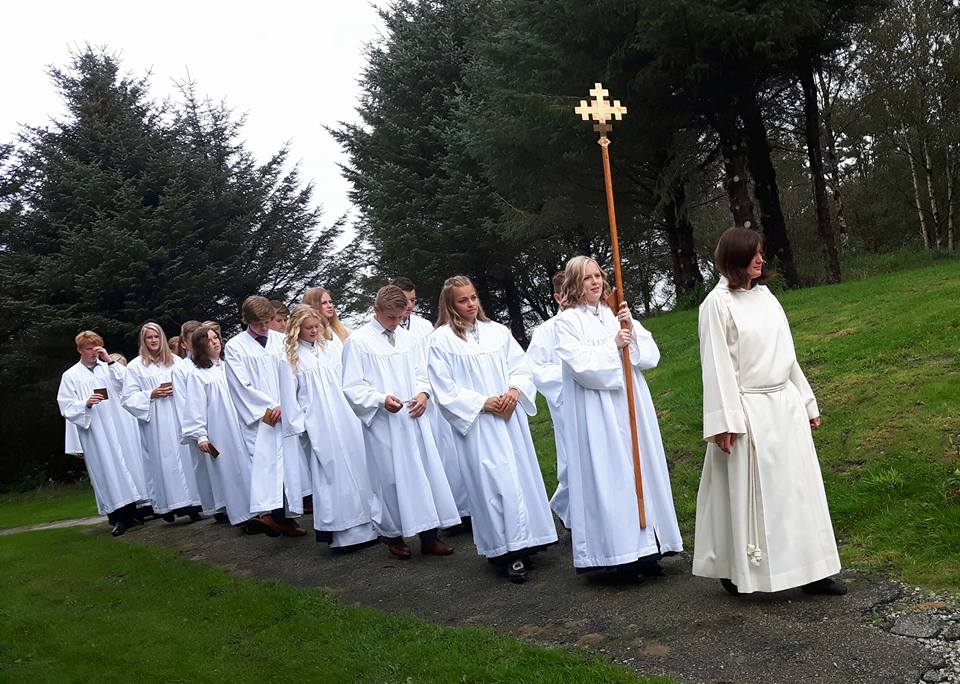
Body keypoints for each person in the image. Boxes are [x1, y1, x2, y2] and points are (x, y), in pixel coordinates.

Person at [693, 227, 844, 596]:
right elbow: (716, 367)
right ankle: (737, 569)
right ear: (734, 259)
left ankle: (814, 569)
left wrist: (806, 400)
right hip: (749, 411)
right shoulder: (717, 304)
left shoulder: (767, 297)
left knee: (799, 492)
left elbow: (786, 355)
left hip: (785, 407)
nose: (761, 259)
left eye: (762, 252)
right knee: (754, 497)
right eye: (753, 254)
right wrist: (725, 421)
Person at [554, 256, 683, 581]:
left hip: (630, 404)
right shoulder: (567, 322)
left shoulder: (615, 312)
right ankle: (619, 553)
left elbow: (649, 356)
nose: (595, 282)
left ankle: (649, 547)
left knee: (642, 472)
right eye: (587, 278)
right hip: (598, 412)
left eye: (598, 275)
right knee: (612, 477)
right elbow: (581, 366)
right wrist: (613, 346)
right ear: (573, 283)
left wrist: (631, 331)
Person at [428, 276, 557, 583]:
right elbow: (443, 388)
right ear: (450, 304)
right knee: (493, 484)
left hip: (510, 419)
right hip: (480, 424)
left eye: (473, 297)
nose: (471, 304)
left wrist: (514, 391)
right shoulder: (441, 341)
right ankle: (505, 552)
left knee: (520, 479)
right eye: (463, 300)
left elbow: (521, 367)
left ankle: (528, 542)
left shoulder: (497, 332)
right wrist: (482, 403)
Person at [342, 285, 459, 559]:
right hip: (385, 423)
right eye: (390, 317)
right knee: (391, 479)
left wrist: (423, 393)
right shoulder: (359, 342)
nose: (395, 323)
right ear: (376, 310)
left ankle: (429, 535)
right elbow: (352, 386)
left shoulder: (407, 339)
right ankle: (393, 535)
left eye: (399, 317)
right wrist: (380, 399)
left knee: (424, 474)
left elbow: (422, 372)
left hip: (413, 418)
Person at [279, 305, 378, 550]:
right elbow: (289, 398)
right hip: (319, 422)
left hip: (346, 415)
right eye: (309, 328)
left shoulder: (333, 348)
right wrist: (300, 427)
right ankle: (344, 532)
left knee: (359, 467)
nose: (314, 331)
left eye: (317, 326)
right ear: (296, 329)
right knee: (331, 473)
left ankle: (371, 525)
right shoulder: (290, 358)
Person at [391, 276, 471, 529]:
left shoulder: (424, 327)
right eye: (405, 301)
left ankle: (461, 509)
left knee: (449, 453)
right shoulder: (392, 331)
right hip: (412, 400)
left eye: (413, 300)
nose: (410, 306)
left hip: (435, 395)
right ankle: (436, 514)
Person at [224, 295, 307, 537]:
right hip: (262, 419)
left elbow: (295, 373)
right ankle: (272, 516)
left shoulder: (281, 341)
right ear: (247, 321)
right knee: (267, 469)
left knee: (290, 468)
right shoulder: (236, 347)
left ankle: (287, 517)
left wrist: (287, 404)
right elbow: (241, 385)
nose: (264, 328)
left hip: (286, 413)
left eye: (268, 321)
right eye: (258, 323)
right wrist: (271, 407)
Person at [57, 331, 147, 536]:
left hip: (118, 425)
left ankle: (133, 512)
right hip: (96, 431)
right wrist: (84, 403)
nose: (93, 353)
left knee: (127, 466)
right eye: (89, 348)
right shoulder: (71, 376)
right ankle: (116, 518)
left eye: (96, 348)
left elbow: (128, 384)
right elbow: (66, 405)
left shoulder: (108, 368)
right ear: (80, 349)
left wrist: (109, 361)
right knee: (106, 470)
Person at [121, 323, 203, 523]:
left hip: (178, 415)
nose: (154, 341)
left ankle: (192, 503)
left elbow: (192, 385)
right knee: (162, 462)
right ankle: (166, 506)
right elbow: (127, 398)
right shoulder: (136, 366)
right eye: (149, 337)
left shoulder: (176, 362)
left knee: (185, 459)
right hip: (156, 421)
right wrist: (150, 393)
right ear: (144, 340)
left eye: (157, 336)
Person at [180, 324, 259, 530]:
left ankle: (262, 511)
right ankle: (244, 517)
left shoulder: (229, 366)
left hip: (242, 423)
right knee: (231, 470)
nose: (215, 342)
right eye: (209, 339)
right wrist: (200, 436)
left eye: (216, 337)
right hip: (221, 428)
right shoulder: (198, 374)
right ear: (200, 346)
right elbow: (195, 407)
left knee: (251, 464)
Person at [526, 271, 570, 529]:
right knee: (571, 460)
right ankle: (569, 509)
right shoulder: (546, 331)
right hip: (566, 402)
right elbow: (536, 368)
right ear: (557, 296)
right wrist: (571, 378)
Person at [172, 319, 223, 521]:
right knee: (206, 468)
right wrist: (196, 431)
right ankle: (216, 507)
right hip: (199, 426)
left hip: (220, 423)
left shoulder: (218, 363)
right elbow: (184, 402)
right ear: (185, 343)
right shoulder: (183, 369)